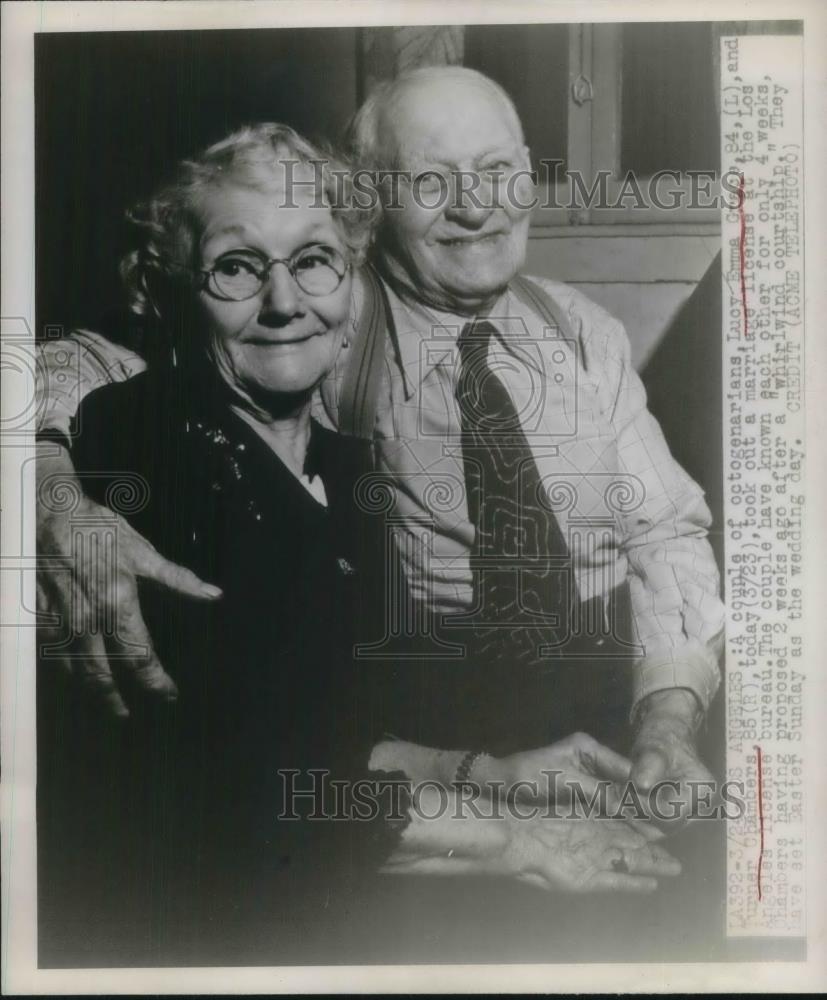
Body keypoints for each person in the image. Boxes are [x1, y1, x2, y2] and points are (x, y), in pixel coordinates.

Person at [36, 122, 682, 968]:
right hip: (188, 930)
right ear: (161, 291)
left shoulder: (341, 469)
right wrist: (513, 839)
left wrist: (485, 771)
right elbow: (247, 789)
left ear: (351, 282)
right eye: (235, 266)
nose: (283, 301)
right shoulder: (149, 449)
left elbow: (309, 734)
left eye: (313, 261)